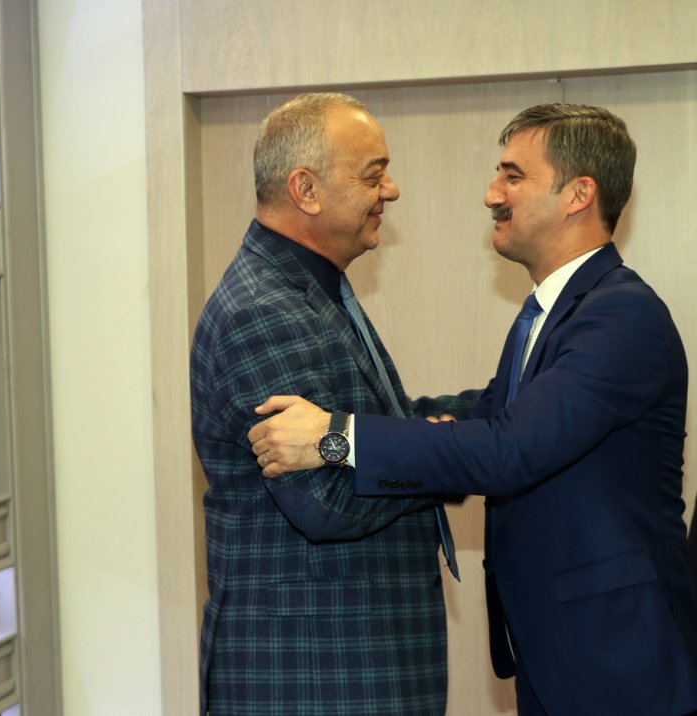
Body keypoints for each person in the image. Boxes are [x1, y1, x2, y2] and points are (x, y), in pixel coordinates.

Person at [248, 103, 697, 715]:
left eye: (513, 176)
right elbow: (486, 420)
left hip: (618, 662)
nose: (492, 194)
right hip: (560, 653)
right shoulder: (549, 312)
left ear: (578, 194)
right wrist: (395, 422)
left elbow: (507, 450)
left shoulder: (623, 316)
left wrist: (336, 437)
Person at [190, 93, 472, 715]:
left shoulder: (305, 288)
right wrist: (458, 452)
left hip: (345, 663)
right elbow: (326, 499)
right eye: (373, 174)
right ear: (306, 190)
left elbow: (369, 427)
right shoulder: (263, 310)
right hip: (314, 676)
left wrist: (494, 409)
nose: (391, 190)